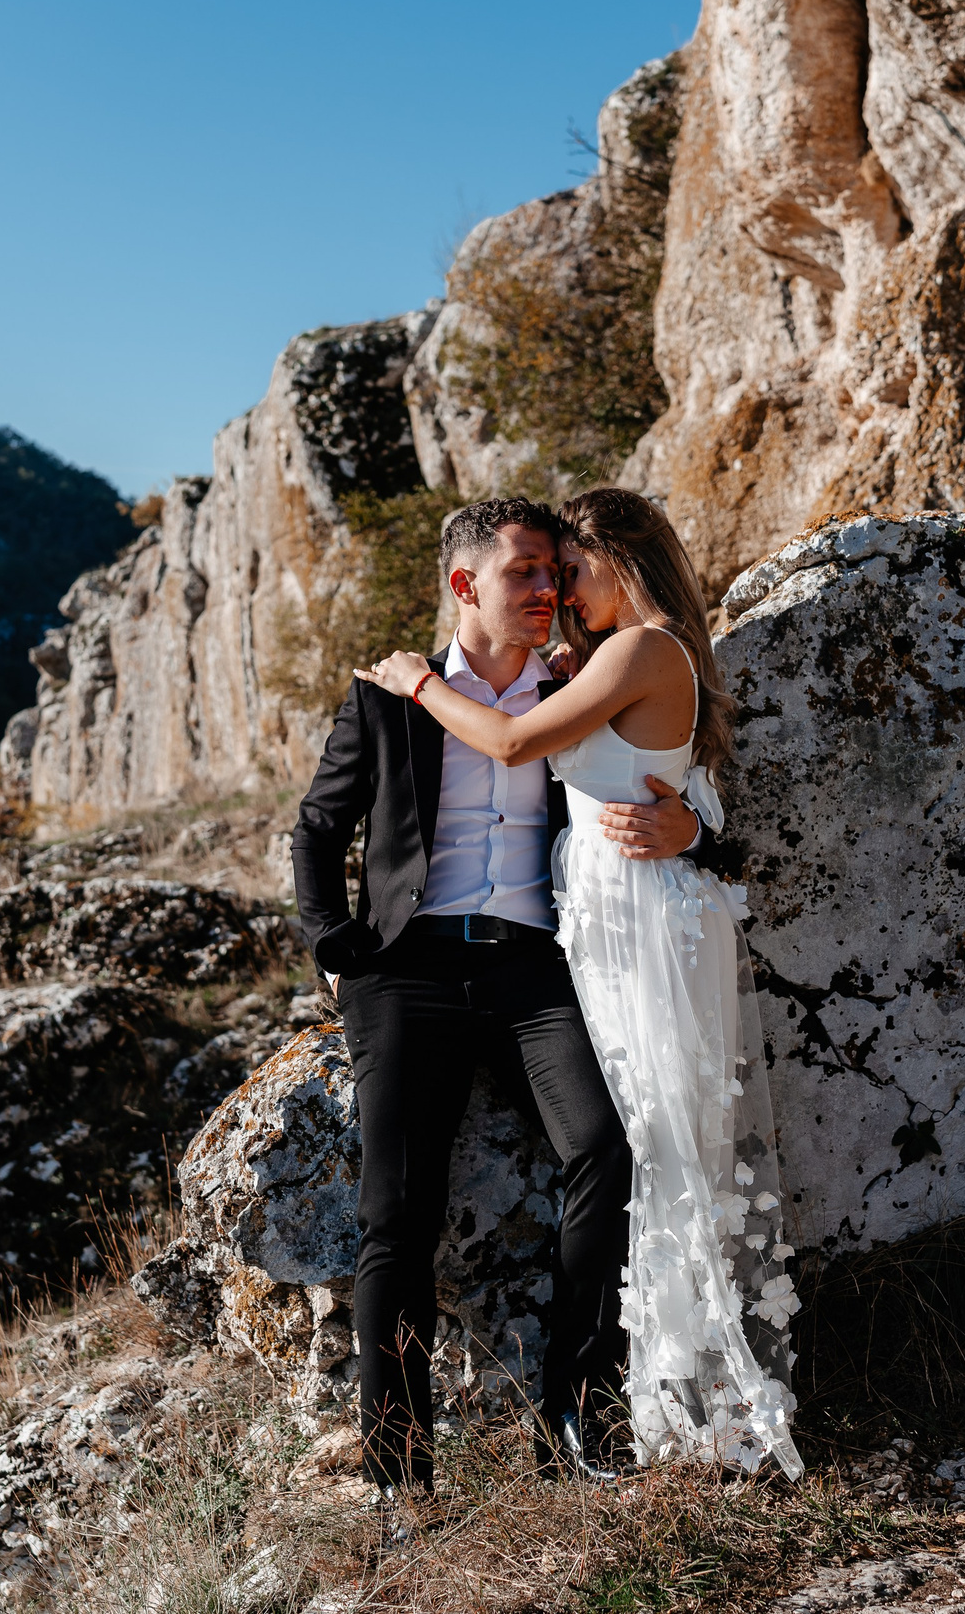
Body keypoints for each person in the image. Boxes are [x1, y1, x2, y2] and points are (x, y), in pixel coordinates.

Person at [357, 485, 803, 1479]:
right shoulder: (614, 656)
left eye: (571, 571)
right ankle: (627, 1404)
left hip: (636, 928)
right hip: (593, 926)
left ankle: (662, 1405)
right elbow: (674, 782)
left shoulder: (640, 650)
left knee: (648, 1149)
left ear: (618, 561)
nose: (560, 592)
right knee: (637, 1147)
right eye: (544, 575)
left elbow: (518, 745)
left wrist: (415, 681)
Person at [290, 496, 706, 1518]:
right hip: (407, 973)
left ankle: (575, 1415)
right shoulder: (385, 696)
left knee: (603, 1150)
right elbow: (316, 824)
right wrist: (335, 951)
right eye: (524, 572)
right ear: (465, 584)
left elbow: (672, 775)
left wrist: (688, 827)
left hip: (531, 965)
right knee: (397, 1217)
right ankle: (400, 1478)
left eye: (557, 572)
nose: (549, 590)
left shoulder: (580, 680)